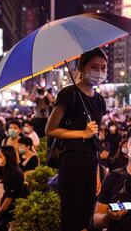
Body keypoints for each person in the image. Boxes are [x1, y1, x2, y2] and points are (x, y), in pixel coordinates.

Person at [46, 48, 107, 231]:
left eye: (103, 68)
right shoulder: (68, 94)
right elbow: (51, 129)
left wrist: (97, 172)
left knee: (86, 219)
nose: (99, 72)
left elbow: (94, 141)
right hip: (72, 164)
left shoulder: (99, 100)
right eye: (94, 67)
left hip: (91, 163)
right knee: (71, 219)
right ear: (81, 67)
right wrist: (81, 133)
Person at [0, 145, 25, 231]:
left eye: (0, 156)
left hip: (12, 210)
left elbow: (8, 200)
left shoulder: (12, 174)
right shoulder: (11, 169)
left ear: (7, 157)